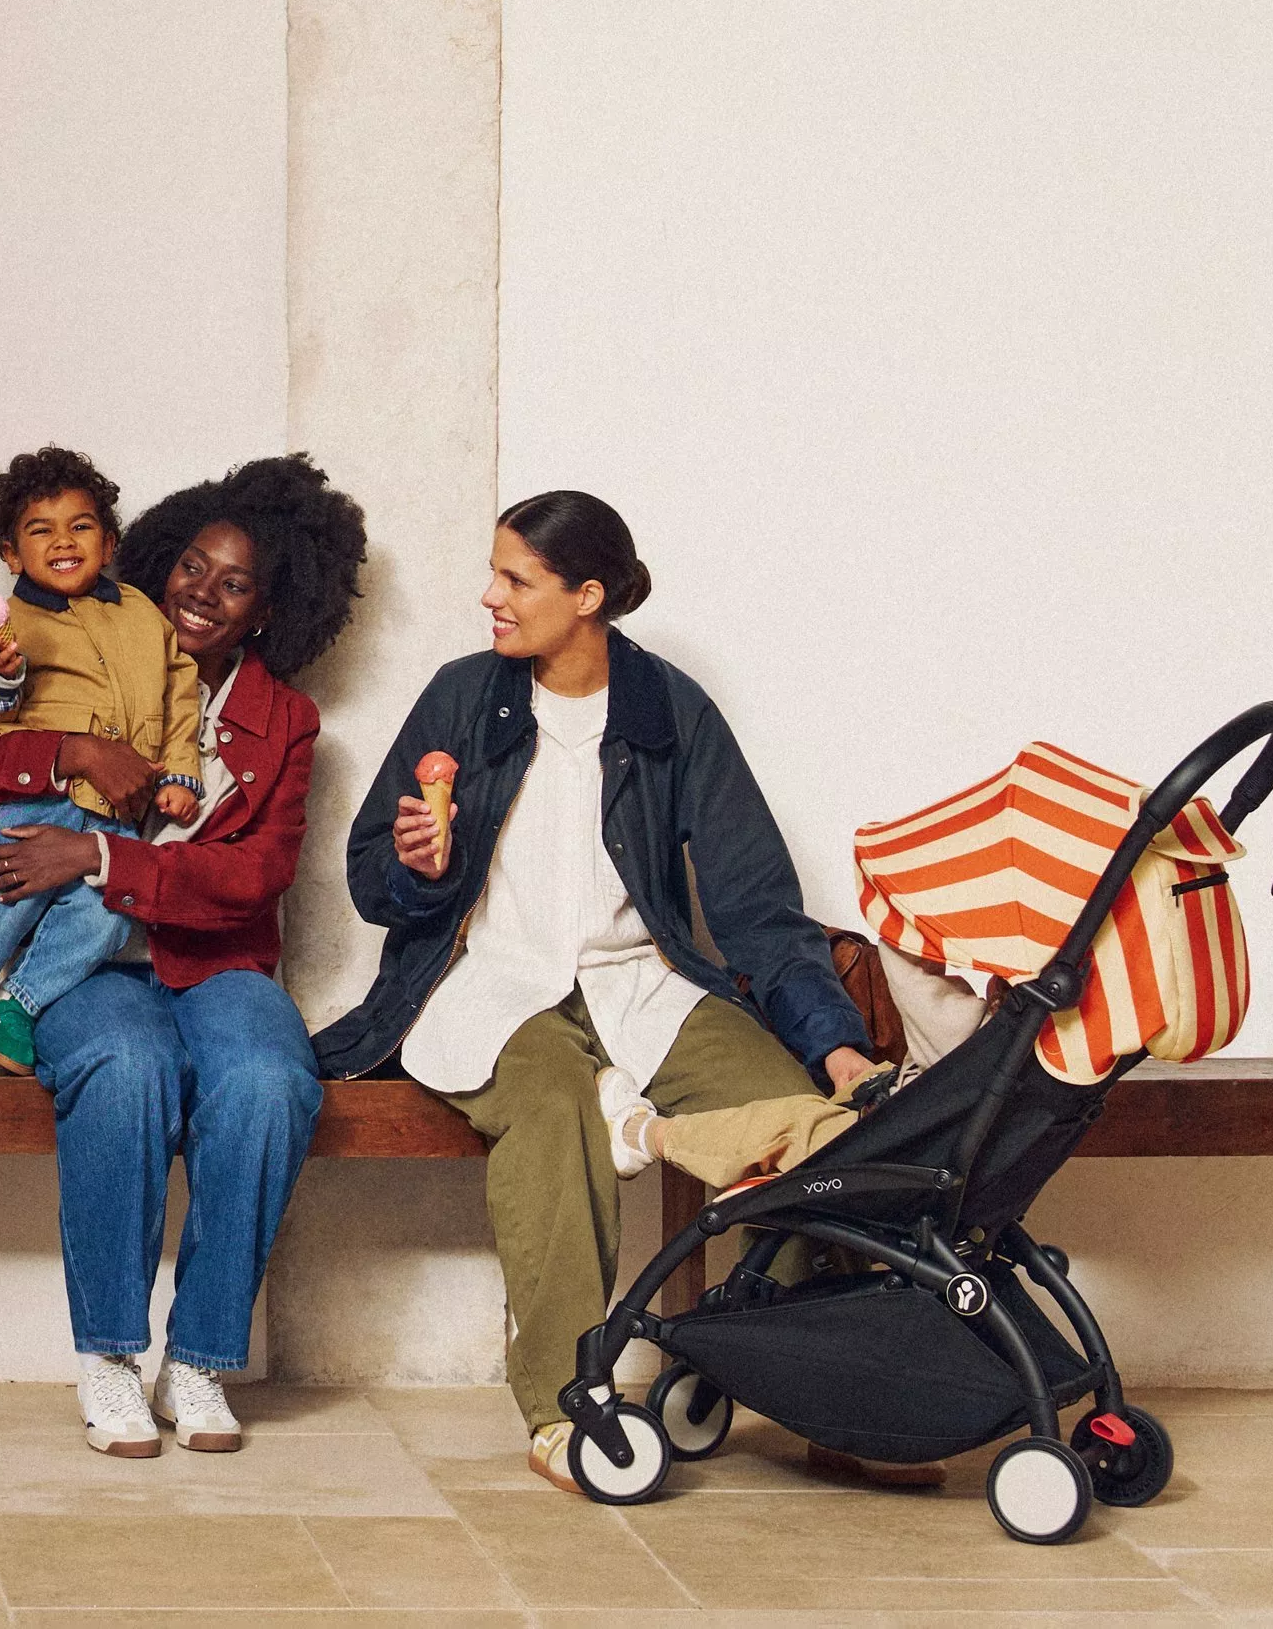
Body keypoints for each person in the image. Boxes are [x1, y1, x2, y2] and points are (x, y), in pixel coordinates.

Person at [311, 490, 877, 1495]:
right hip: (486, 987)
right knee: (553, 1109)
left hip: (645, 985)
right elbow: (369, 881)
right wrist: (417, 866)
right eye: (494, 572)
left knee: (798, 1123)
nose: (489, 596)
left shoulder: (670, 713)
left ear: (587, 596)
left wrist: (835, 1046)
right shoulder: (460, 697)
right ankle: (569, 1403)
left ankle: (814, 1385)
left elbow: (755, 908)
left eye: (513, 579)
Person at [0, 452, 366, 1461]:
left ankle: (199, 1360)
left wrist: (100, 856)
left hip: (219, 962)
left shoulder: (285, 721)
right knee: (125, 1069)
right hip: (82, 967)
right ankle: (111, 1360)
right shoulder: (69, 646)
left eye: (234, 583)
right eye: (192, 568)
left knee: (267, 1079)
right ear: (159, 565)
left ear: (265, 610)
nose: (203, 594)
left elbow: (255, 877)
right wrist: (71, 751)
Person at [0, 446, 205, 1092]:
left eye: (81, 526)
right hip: (38, 808)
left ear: (109, 540)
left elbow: (180, 688)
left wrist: (179, 771)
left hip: (115, 818)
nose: (63, 541)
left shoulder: (144, 613)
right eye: (40, 530)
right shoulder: (13, 628)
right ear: (12, 554)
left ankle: (17, 1005)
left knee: (106, 918)